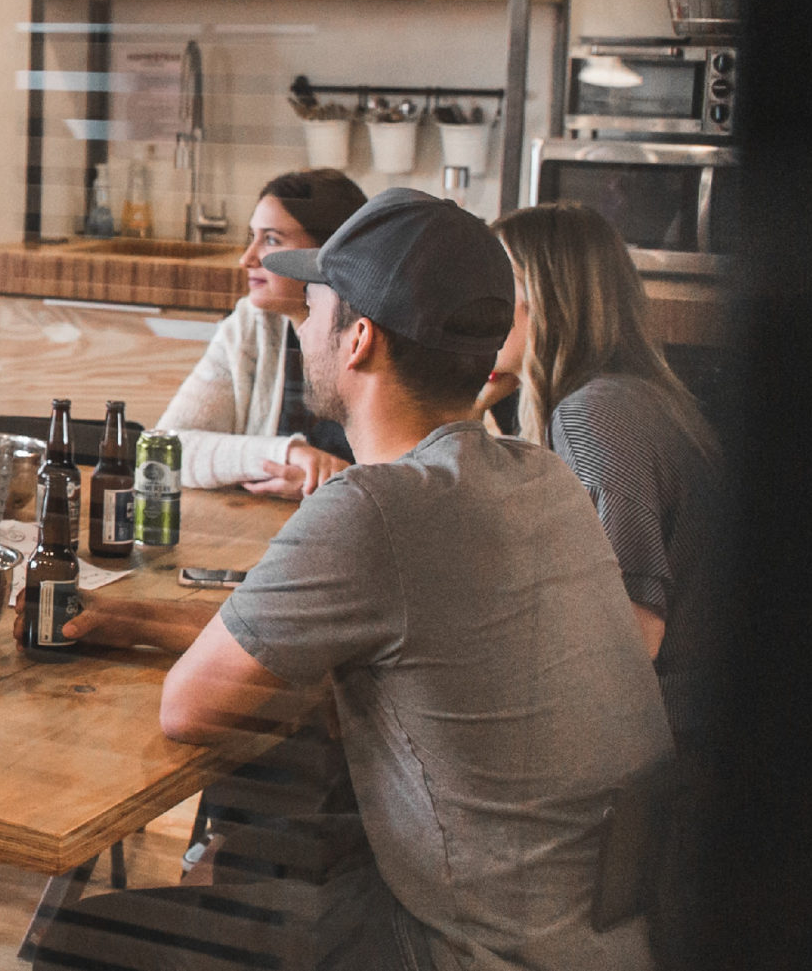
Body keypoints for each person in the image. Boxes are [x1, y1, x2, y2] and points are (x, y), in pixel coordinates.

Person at [42, 189, 673, 970]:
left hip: (469, 950)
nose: (301, 323)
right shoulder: (538, 477)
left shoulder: (376, 507)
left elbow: (188, 705)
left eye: (314, 306)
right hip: (599, 937)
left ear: (359, 339)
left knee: (81, 940)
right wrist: (131, 622)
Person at [493, 201, 721, 741]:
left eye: (492, 284)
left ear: (542, 297)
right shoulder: (629, 396)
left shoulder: (595, 414)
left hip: (669, 742)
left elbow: (629, 638)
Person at [157, 169, 366, 497]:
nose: (246, 258)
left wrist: (326, 484)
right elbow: (166, 449)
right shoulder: (250, 325)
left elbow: (412, 481)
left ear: (329, 253)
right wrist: (288, 454)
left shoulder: (378, 338)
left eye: (271, 239)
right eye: (252, 237)